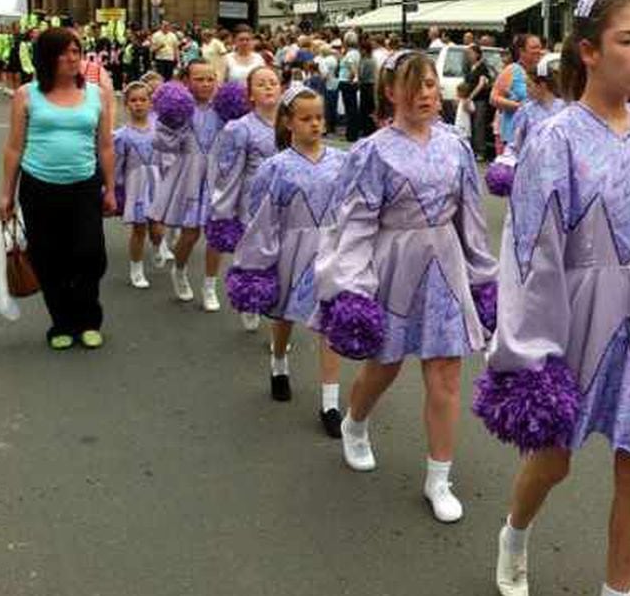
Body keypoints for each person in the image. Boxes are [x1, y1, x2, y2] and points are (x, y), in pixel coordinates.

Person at [471, 0, 630, 596]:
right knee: (555, 459)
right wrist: (527, 349)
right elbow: (529, 248)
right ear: (591, 53)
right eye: (628, 39)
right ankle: (515, 535)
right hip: (572, 315)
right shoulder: (555, 139)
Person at [313, 52, 497, 523]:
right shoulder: (372, 151)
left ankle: (439, 478)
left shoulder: (456, 147)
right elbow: (353, 225)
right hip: (393, 266)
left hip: (446, 267)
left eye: (432, 85)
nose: (425, 94)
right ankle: (355, 422)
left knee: (446, 372)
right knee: (385, 365)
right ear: (391, 92)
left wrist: (483, 279)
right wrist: (351, 286)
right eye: (413, 86)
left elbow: (470, 221)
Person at [225, 84, 346, 436]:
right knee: (284, 315)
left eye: (320, 118)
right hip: (291, 250)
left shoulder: (341, 160)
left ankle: (330, 402)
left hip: (331, 250)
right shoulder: (274, 167)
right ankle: (279, 361)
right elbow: (263, 218)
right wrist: (256, 262)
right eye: (306, 118)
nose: (315, 125)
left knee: (330, 323)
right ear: (288, 122)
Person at [0, 26, 116, 349]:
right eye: (64, 52)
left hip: (84, 184)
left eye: (76, 51)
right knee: (50, 257)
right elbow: (13, 148)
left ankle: (88, 318)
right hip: (39, 186)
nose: (71, 58)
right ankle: (62, 323)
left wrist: (110, 188)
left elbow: (105, 146)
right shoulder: (27, 94)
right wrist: (6, 193)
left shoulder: (97, 94)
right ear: (47, 58)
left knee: (91, 254)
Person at [206, 64, 280, 328]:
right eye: (261, 84)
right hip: (253, 201)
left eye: (273, 82)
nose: (269, 87)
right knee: (255, 254)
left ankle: (277, 313)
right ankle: (251, 296)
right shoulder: (239, 128)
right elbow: (228, 173)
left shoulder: (292, 123)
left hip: (284, 202)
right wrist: (223, 213)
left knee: (282, 257)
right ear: (250, 95)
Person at [150, 61, 224, 310]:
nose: (205, 84)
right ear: (187, 81)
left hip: (218, 176)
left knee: (217, 235)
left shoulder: (224, 109)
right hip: (190, 173)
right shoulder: (181, 109)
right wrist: (176, 124)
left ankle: (209, 286)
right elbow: (162, 142)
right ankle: (179, 270)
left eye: (210, 78)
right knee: (190, 234)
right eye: (199, 79)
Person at [112, 81, 167, 289]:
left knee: (158, 227)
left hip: (158, 182)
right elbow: (117, 165)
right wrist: (116, 187)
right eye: (133, 100)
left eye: (143, 100)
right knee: (138, 228)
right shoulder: (122, 135)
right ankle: (136, 269)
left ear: (151, 103)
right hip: (135, 183)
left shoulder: (158, 129)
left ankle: (158, 243)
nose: (139, 104)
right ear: (127, 104)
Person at [491, 33, 544, 153]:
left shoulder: (542, 71)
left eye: (540, 47)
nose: (538, 51)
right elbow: (494, 98)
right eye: (534, 48)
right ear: (521, 51)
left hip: (536, 137)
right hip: (513, 136)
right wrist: (519, 107)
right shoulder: (512, 70)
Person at [463, 43, 494, 161]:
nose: (468, 56)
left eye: (470, 53)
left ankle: (481, 151)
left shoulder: (482, 68)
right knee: (471, 125)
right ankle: (473, 149)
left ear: (477, 54)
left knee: (478, 125)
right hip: (470, 100)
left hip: (479, 100)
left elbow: (481, 84)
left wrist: (470, 97)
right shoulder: (470, 67)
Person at [338, 32, 362, 141]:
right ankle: (352, 132)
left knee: (350, 109)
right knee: (352, 108)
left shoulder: (350, 54)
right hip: (349, 82)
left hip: (346, 82)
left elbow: (353, 67)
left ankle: (351, 134)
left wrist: (352, 77)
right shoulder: (356, 53)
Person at [357, 35, 378, 139]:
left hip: (366, 86)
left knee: (364, 109)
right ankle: (371, 129)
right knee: (371, 108)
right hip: (372, 86)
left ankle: (366, 130)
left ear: (364, 50)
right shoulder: (373, 60)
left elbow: (361, 75)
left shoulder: (365, 61)